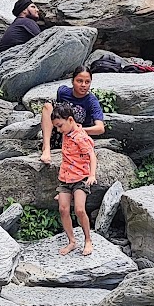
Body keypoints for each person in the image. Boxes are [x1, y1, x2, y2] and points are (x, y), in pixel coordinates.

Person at [52, 101, 97, 257]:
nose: (58, 130)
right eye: (56, 127)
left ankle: (88, 239)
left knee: (79, 209)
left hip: (80, 178)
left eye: (60, 125)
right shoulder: (66, 133)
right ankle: (71, 241)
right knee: (63, 209)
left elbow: (91, 155)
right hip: (65, 179)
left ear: (70, 120)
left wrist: (92, 175)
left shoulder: (80, 137)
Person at [40, 66, 106, 164]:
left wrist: (77, 130)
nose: (83, 85)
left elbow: (100, 128)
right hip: (59, 131)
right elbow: (55, 114)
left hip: (76, 137)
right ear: (72, 81)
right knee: (47, 106)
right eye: (79, 81)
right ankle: (46, 148)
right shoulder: (63, 92)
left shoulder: (92, 101)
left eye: (87, 82)